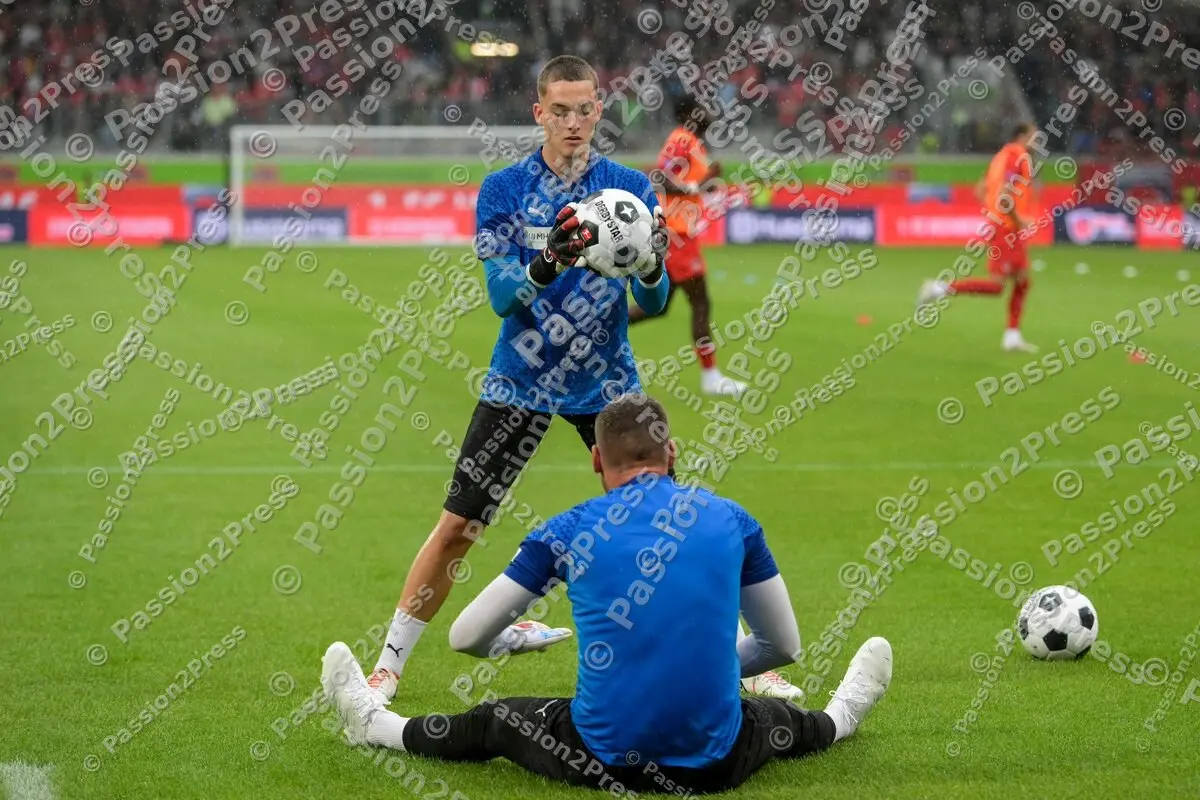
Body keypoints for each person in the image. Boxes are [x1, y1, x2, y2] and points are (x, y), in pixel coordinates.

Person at [363, 55, 802, 707]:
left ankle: (744, 660)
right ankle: (388, 667)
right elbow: (503, 300)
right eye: (559, 109)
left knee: (676, 526)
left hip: (610, 385)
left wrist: (651, 263)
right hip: (521, 381)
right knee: (460, 525)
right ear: (539, 113)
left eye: (585, 108)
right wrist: (550, 259)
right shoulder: (504, 191)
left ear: (600, 111)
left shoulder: (627, 186)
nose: (573, 121)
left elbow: (653, 305)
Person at [323, 394, 893, 795]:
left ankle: (374, 727)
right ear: (671, 453)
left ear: (597, 459)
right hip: (715, 766)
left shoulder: (569, 528)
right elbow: (783, 646)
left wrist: (511, 643)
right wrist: (712, 666)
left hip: (599, 757)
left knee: (495, 721)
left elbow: (466, 635)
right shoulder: (731, 519)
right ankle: (842, 714)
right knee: (776, 720)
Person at [629, 96, 749, 398]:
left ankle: (595, 331)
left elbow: (688, 186)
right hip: (675, 236)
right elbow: (659, 178)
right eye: (702, 108)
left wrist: (709, 185)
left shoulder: (694, 144)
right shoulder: (681, 139)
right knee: (701, 302)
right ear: (688, 113)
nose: (709, 113)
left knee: (658, 307)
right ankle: (711, 377)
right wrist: (700, 185)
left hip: (680, 235)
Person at [918, 121, 1039, 353]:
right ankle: (938, 288)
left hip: (1004, 225)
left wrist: (994, 211)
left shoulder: (999, 157)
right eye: (1034, 136)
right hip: (1007, 228)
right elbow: (1004, 191)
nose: (1038, 141)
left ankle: (1012, 336)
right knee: (996, 286)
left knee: (1023, 281)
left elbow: (980, 190)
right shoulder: (1017, 155)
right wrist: (1016, 218)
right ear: (1022, 136)